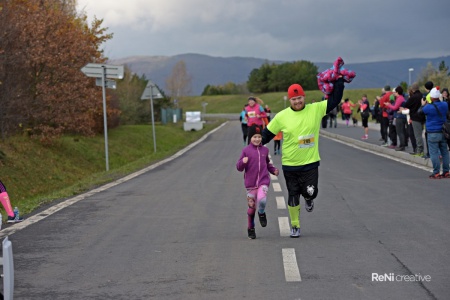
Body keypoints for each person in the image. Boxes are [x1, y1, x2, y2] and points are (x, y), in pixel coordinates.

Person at [261, 76, 346, 238]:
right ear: (290, 100)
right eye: (293, 99)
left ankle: (309, 198)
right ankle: (295, 225)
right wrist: (254, 148)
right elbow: (266, 134)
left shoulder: (315, 109)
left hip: (310, 163)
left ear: (304, 97)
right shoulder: (282, 116)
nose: (297, 101)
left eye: (299, 98)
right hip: (290, 164)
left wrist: (339, 82)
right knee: (293, 194)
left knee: (311, 192)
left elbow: (335, 100)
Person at [236, 125, 279, 239]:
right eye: (254, 137)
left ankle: (261, 212)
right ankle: (251, 228)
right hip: (250, 185)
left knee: (262, 199)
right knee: (251, 209)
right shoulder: (246, 151)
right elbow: (239, 167)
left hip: (263, 181)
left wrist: (273, 170)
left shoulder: (265, 150)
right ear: (250, 138)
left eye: (259, 137)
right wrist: (243, 162)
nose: (257, 139)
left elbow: (268, 164)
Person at [420, 87, 449, 178]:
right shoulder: (445, 105)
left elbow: (419, 112)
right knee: (445, 152)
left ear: (431, 97)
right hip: (443, 132)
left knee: (434, 153)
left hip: (432, 132)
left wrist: (422, 104)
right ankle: (446, 171)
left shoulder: (428, 107)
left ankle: (436, 172)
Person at [402, 83, 425, 156]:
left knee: (417, 135)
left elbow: (406, 105)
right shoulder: (422, 95)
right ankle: (420, 150)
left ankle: (419, 151)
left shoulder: (413, 97)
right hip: (422, 117)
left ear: (412, 89)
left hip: (415, 117)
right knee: (420, 134)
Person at [386, 86, 407, 151]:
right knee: (401, 131)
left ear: (397, 92)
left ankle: (402, 145)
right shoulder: (401, 98)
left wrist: (388, 105)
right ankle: (402, 144)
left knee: (399, 131)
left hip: (399, 116)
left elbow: (395, 107)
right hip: (401, 116)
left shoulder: (399, 98)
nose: (394, 93)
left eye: (395, 92)